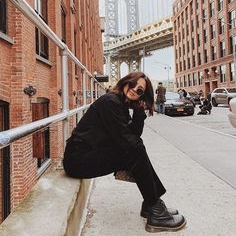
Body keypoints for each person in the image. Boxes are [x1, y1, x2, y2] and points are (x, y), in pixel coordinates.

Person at [63, 71, 186, 233]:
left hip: (88, 155)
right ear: (125, 82)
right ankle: (154, 207)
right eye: (133, 84)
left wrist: (139, 112)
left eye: (140, 90)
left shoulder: (120, 103)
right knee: (135, 150)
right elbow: (127, 140)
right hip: (78, 159)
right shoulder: (110, 101)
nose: (135, 89)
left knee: (136, 149)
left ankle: (152, 204)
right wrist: (135, 141)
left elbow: (132, 135)